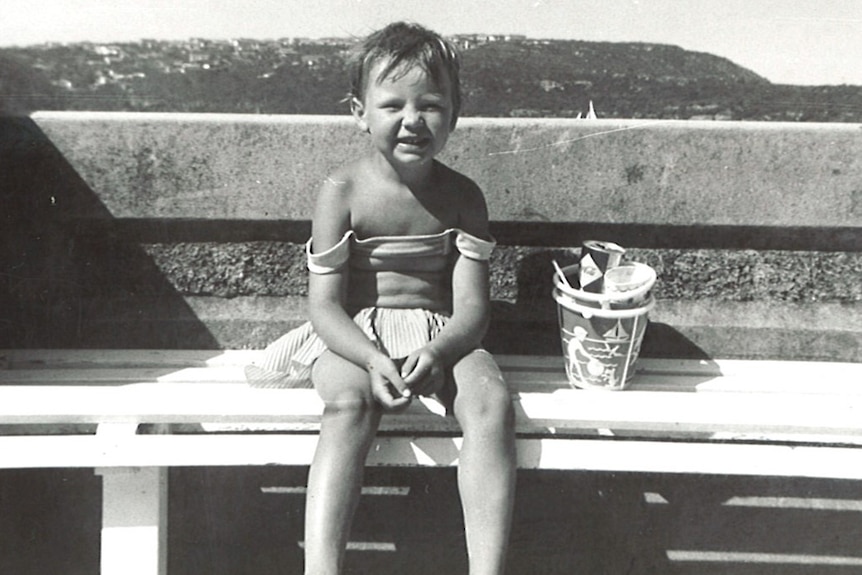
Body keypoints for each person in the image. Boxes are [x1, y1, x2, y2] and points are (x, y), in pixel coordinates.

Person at [245, 21, 516, 575]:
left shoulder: (463, 196)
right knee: (349, 403)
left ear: (455, 113)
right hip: (353, 334)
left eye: (431, 105)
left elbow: (471, 309)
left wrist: (440, 354)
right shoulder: (341, 191)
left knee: (491, 404)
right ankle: (321, 568)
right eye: (392, 104)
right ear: (359, 111)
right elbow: (324, 306)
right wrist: (369, 358)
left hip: (440, 336)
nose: (412, 120)